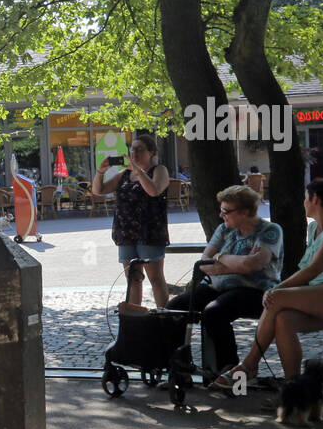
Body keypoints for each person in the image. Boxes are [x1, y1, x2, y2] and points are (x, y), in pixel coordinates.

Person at [215, 178, 323, 387]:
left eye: (305, 198)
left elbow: (313, 269)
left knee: (276, 298)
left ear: (315, 199)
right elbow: (307, 270)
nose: (303, 203)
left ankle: (249, 365)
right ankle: (292, 388)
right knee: (284, 319)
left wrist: (278, 288)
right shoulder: (314, 228)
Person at [166, 184, 283, 381]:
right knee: (174, 308)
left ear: (245, 212)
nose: (221, 215)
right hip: (217, 286)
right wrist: (236, 261)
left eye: (226, 211)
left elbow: (252, 265)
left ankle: (228, 371)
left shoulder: (270, 231)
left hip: (254, 290)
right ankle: (179, 367)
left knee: (214, 312)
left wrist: (220, 258)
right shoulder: (224, 229)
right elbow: (204, 262)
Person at [93, 133, 171, 307]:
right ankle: (135, 320)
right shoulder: (124, 174)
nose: (134, 153)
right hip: (126, 232)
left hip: (149, 231)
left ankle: (165, 317)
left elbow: (154, 190)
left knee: (155, 278)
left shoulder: (159, 170)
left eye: (139, 149)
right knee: (133, 279)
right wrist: (100, 171)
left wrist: (138, 171)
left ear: (150, 152)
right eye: (132, 149)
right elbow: (99, 190)